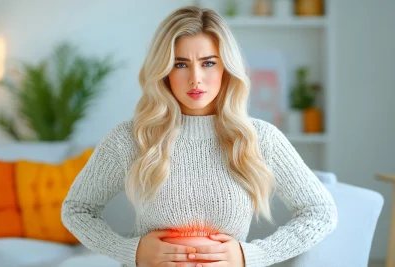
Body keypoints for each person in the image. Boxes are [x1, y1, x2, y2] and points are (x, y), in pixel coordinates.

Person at [61, 5, 338, 267]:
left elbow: (320, 212)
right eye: (180, 64)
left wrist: (251, 255)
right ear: (164, 71)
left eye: (208, 63)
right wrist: (130, 251)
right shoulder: (130, 139)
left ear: (225, 68)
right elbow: (76, 210)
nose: (196, 78)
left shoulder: (260, 138)